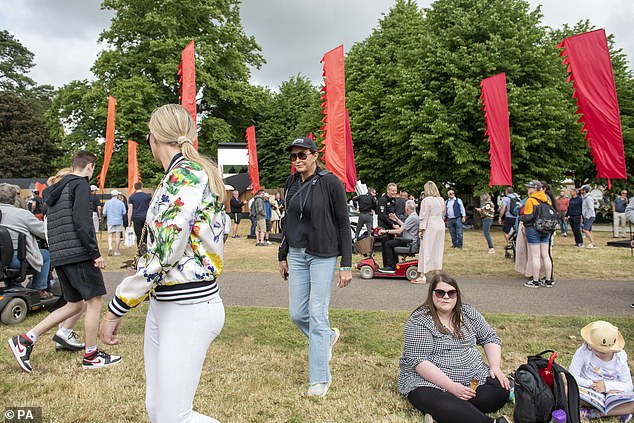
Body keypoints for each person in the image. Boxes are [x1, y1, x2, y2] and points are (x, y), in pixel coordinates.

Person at [100, 104, 227, 423]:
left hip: (189, 305)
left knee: (173, 416)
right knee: (158, 411)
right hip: (170, 303)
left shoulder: (184, 175)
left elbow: (164, 253)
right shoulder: (183, 174)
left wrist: (118, 305)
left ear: (153, 137)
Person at [8, 150, 120, 373]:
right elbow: (82, 221)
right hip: (78, 252)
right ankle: (91, 355)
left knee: (75, 304)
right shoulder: (79, 185)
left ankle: (26, 339)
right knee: (95, 301)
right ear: (89, 167)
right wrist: (94, 253)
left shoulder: (52, 192)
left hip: (60, 254)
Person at [278, 136, 352, 398]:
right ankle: (327, 336)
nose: (297, 160)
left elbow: (343, 224)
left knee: (317, 313)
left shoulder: (330, 182)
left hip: (323, 254)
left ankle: (319, 379)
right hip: (297, 254)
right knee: (297, 314)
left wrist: (346, 263)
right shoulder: (290, 183)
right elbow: (288, 222)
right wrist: (282, 254)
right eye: (293, 156)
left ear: (314, 155)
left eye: (302, 155)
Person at [398, 272, 511, 423]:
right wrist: (451, 386)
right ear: (432, 294)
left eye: (451, 293)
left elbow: (489, 337)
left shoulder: (468, 313)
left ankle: (446, 414)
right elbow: (418, 361)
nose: (446, 297)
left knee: (500, 391)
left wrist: (495, 366)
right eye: (440, 292)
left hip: (472, 377)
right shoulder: (420, 321)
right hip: (430, 382)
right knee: (436, 399)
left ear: (457, 296)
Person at [569, 321, 634, 421]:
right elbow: (572, 376)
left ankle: (594, 413)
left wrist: (606, 386)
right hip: (589, 391)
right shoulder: (584, 351)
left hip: (612, 395)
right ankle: (619, 412)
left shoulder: (620, 357)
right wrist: (592, 384)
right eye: (595, 349)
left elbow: (628, 385)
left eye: (604, 352)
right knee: (566, 390)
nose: (598, 353)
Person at [0, 184, 52, 298]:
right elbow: (44, 232)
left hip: (2, 260)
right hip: (15, 260)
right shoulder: (23, 215)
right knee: (46, 255)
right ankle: (40, 289)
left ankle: (13, 284)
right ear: (14, 199)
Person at [519, 180, 554, 288]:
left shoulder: (531, 200)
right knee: (545, 255)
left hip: (533, 229)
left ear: (535, 189)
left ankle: (535, 280)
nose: (528, 189)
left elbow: (528, 216)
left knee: (535, 256)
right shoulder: (547, 201)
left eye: (530, 188)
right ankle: (548, 280)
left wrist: (521, 218)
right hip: (546, 229)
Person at [415, 181, 446, 284]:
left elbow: (424, 216)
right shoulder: (441, 200)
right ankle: (438, 273)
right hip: (440, 224)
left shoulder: (426, 200)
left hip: (431, 224)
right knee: (438, 248)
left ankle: (422, 275)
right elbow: (443, 212)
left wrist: (421, 230)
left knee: (426, 249)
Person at [378, 199, 418, 272]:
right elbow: (405, 226)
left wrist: (385, 231)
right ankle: (394, 264)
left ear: (407, 209)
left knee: (388, 244)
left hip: (409, 242)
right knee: (393, 242)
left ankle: (390, 266)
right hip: (410, 240)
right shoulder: (414, 216)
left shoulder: (412, 218)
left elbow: (400, 230)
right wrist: (396, 219)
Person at [128, 182, 152, 247]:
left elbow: (130, 210)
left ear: (135, 188)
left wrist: (129, 221)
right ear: (141, 187)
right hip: (145, 217)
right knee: (146, 234)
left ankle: (139, 249)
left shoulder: (132, 197)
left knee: (138, 235)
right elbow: (151, 207)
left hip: (136, 217)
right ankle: (146, 247)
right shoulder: (147, 196)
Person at [102, 190, 126, 256]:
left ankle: (110, 247)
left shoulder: (107, 203)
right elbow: (124, 212)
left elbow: (104, 213)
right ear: (117, 195)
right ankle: (116, 251)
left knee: (110, 235)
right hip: (119, 220)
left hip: (110, 220)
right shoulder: (121, 203)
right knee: (118, 236)